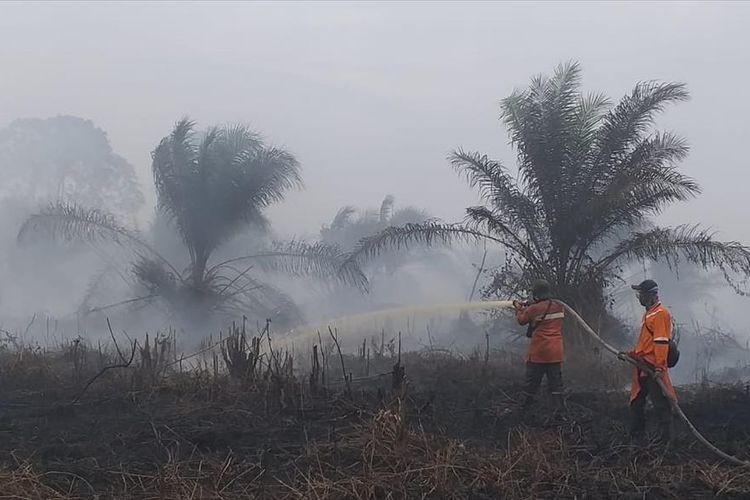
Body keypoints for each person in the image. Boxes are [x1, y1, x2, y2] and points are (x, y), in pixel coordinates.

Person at [621, 279, 677, 444]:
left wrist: (659, 367)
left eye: (642, 294)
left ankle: (667, 441)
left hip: (652, 368)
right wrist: (631, 354)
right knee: (636, 402)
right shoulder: (649, 314)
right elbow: (646, 343)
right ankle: (636, 438)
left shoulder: (661, 314)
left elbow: (660, 342)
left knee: (661, 404)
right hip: (643, 365)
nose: (640, 297)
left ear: (651, 295)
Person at [513, 279, 565, 408]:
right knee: (556, 383)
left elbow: (521, 320)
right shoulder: (559, 306)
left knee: (531, 383)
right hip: (555, 351)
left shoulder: (534, 309)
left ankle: (525, 408)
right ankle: (559, 410)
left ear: (535, 293)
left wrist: (519, 308)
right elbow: (545, 309)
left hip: (539, 352)